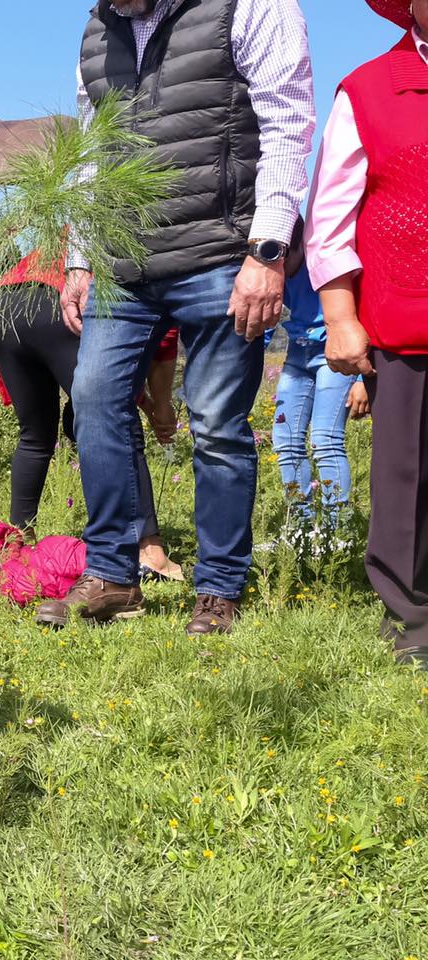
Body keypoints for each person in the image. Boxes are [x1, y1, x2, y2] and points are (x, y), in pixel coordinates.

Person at [41, 0, 316, 635]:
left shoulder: (250, 6)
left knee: (217, 422)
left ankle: (218, 587)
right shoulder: (96, 31)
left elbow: (287, 124)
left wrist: (267, 250)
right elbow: (92, 153)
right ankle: (113, 574)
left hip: (222, 255)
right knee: (93, 398)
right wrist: (80, 257)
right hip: (124, 262)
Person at [306, 0, 428, 667]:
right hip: (407, 318)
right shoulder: (370, 88)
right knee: (407, 473)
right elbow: (329, 215)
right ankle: (412, 618)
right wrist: (341, 316)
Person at [0, 254, 183, 582]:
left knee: (35, 436)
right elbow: (163, 336)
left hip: (2, 306)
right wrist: (160, 405)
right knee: (118, 423)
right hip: (60, 300)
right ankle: (150, 551)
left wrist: (146, 401)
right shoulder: (141, 243)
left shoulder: (75, 229)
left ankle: (16, 545)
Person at [271, 219, 367, 533]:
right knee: (285, 442)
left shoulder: (328, 261)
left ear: (301, 245)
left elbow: (365, 311)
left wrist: (362, 380)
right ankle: (301, 530)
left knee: (325, 440)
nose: (280, 268)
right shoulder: (277, 269)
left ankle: (336, 532)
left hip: (335, 355)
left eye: (285, 258)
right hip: (298, 354)